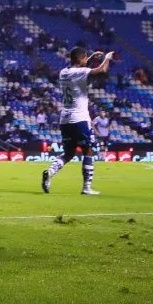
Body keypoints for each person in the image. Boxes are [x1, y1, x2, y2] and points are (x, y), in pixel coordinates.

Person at [42, 48, 114, 196]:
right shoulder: (80, 72)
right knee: (88, 150)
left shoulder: (63, 72)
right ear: (81, 58)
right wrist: (107, 58)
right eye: (85, 57)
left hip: (65, 119)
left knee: (69, 153)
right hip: (80, 118)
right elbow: (101, 71)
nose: (86, 59)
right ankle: (86, 187)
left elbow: (81, 68)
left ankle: (50, 171)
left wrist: (92, 58)